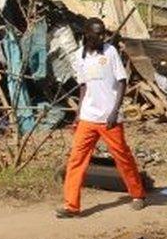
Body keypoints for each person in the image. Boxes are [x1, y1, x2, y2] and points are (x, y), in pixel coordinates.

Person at [57, 18, 147, 218]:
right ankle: (71, 205)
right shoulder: (78, 58)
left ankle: (137, 194)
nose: (101, 36)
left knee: (122, 157)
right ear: (87, 34)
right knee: (76, 160)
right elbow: (83, 86)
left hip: (109, 118)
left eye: (103, 33)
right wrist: (79, 114)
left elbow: (122, 82)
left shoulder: (110, 52)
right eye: (97, 33)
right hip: (88, 117)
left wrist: (116, 110)